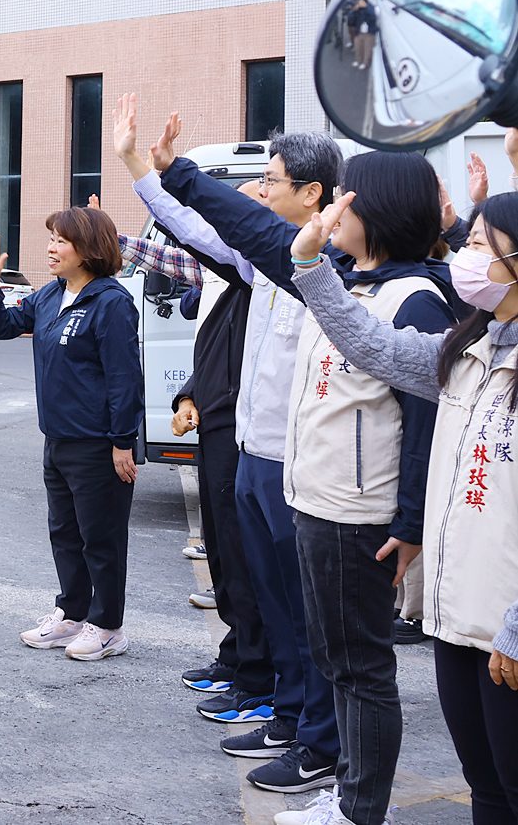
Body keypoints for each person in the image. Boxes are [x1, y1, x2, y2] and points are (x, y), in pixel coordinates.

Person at [158, 131, 456, 825]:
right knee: (334, 657)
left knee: (359, 670)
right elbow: (255, 229)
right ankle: (344, 789)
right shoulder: (345, 282)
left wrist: (408, 524)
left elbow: (421, 425)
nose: (336, 208)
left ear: (377, 209)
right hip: (316, 502)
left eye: (350, 195)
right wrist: (172, 173)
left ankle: (355, 805)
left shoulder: (413, 300)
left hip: (362, 515)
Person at [126, 112, 346, 793]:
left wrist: (172, 173)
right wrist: (145, 171)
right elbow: (200, 230)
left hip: (292, 459)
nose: (258, 187)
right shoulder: (262, 263)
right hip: (253, 448)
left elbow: (224, 222)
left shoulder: (318, 268)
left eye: (271, 179)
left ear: (310, 193)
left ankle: (315, 728)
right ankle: (287, 708)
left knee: (302, 607)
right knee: (274, 596)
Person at [288, 189, 518, 825]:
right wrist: (310, 267)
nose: (463, 259)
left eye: (478, 245)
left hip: (507, 627)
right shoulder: (468, 350)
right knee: (488, 787)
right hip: (455, 617)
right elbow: (374, 346)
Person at [107, 98, 278, 741]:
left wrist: (150, 172)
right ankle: (241, 662)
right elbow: (179, 243)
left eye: (267, 183)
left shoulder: (283, 270)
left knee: (249, 560)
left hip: (259, 443)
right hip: (225, 431)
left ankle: (261, 681)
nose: (254, 194)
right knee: (228, 556)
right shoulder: (242, 273)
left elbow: (193, 231)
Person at [0, 207, 142, 662]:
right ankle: (71, 612)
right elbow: (3, 327)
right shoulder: (51, 296)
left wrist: (122, 441)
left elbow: (124, 378)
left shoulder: (111, 302)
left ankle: (108, 625)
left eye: (60, 241)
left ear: (87, 248)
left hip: (98, 444)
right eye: (50, 238)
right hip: (58, 439)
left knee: (101, 538)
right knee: (65, 533)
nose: (50, 248)